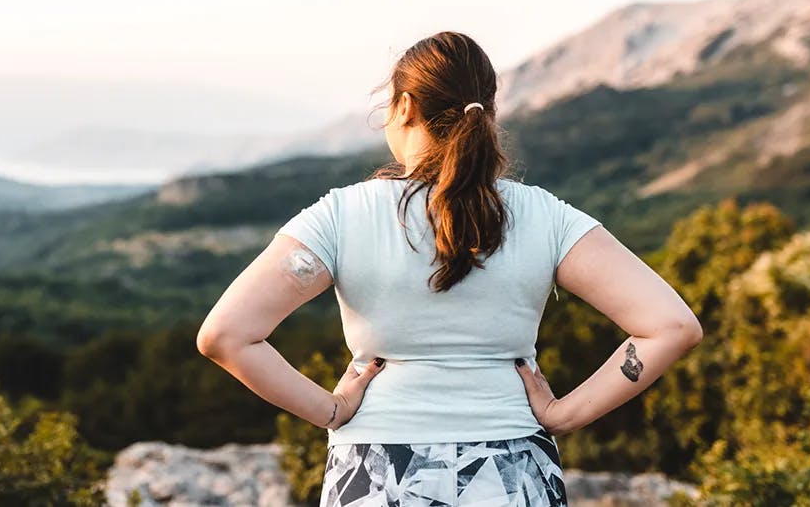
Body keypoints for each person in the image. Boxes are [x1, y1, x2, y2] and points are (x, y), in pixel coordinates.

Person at [196, 31, 703, 507]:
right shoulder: (546, 215)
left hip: (377, 471)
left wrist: (329, 410)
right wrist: (564, 413)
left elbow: (226, 336)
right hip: (511, 469)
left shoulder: (341, 215)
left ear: (404, 107)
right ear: (489, 110)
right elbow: (671, 326)